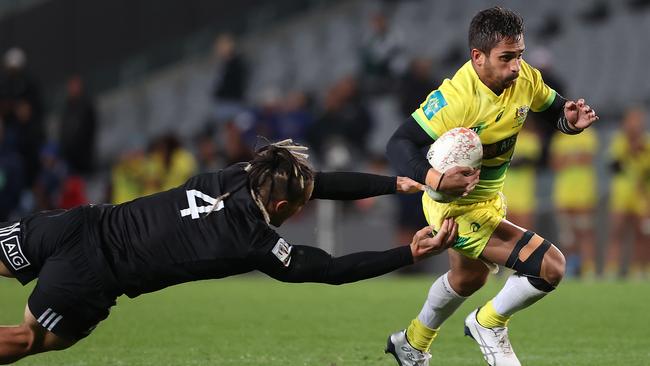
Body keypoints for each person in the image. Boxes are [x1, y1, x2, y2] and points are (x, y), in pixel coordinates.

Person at [0, 139, 458, 364]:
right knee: (34, 337)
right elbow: (330, 270)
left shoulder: (245, 172)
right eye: (297, 208)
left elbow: (316, 184)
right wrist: (408, 255)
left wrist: (394, 184)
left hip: (78, 222)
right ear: (281, 207)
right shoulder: (253, 242)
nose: (301, 208)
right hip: (92, 274)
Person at [384, 7, 598, 366]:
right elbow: (398, 143)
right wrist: (434, 178)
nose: (515, 66)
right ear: (477, 57)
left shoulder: (524, 78)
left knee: (469, 279)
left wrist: (569, 121)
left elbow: (555, 109)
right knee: (550, 266)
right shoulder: (455, 98)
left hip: (488, 199)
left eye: (519, 56)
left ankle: (412, 343)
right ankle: (488, 323)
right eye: (506, 58)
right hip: (453, 206)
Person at [605, 107, 650, 278]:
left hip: (642, 195)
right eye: (631, 121)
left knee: (643, 234)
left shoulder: (647, 143)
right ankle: (612, 269)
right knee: (617, 231)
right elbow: (613, 166)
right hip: (621, 195)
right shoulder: (618, 141)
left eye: (637, 121)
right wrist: (631, 151)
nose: (634, 125)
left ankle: (640, 270)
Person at [550, 127, 598, 277]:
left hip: (583, 192)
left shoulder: (588, 135)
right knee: (567, 234)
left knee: (584, 231)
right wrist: (574, 157)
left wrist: (567, 158)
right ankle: (570, 267)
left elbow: (587, 159)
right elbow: (555, 164)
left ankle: (588, 268)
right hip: (563, 193)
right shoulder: (559, 138)